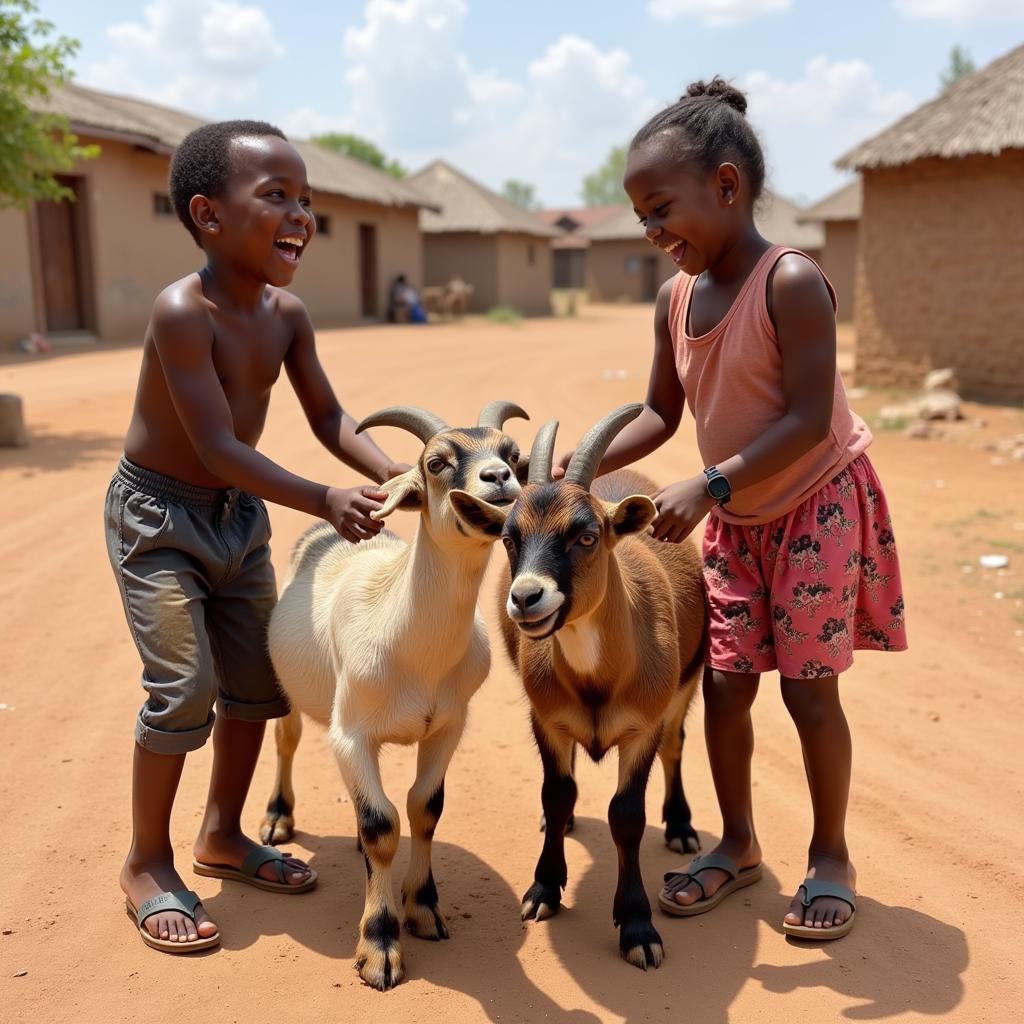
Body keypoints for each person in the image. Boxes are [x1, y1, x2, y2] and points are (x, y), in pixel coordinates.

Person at [554, 78, 906, 940]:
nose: (651, 231)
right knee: (723, 686)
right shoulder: (676, 299)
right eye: (640, 216)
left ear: (726, 185)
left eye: (661, 208)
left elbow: (807, 419)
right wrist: (580, 467)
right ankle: (739, 845)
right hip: (739, 522)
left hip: (815, 504)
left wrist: (708, 484)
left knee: (809, 692)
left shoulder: (789, 282)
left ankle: (830, 855)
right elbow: (660, 415)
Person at [104, 120, 409, 953]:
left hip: (238, 517)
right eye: (277, 196)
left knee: (259, 683)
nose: (301, 214)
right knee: (183, 686)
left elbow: (330, 416)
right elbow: (217, 448)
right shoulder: (182, 313)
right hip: (160, 517)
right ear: (208, 214)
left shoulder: (287, 315)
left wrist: (394, 475)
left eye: (306, 199)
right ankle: (144, 861)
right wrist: (324, 500)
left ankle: (222, 834)